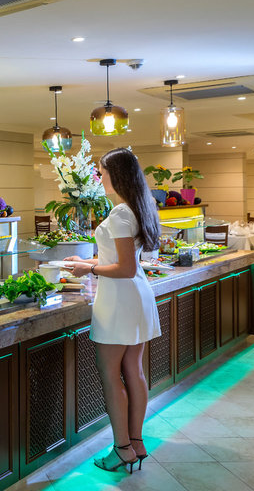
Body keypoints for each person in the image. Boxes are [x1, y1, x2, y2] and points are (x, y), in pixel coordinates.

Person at [62, 148, 161, 475]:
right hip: (136, 297)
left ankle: (121, 449)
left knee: (110, 375)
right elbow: (121, 260)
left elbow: (125, 268)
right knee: (134, 370)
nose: (98, 177)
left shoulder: (119, 214)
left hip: (119, 300)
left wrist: (89, 270)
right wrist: (86, 261)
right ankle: (136, 443)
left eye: (101, 171)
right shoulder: (136, 208)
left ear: (114, 175)